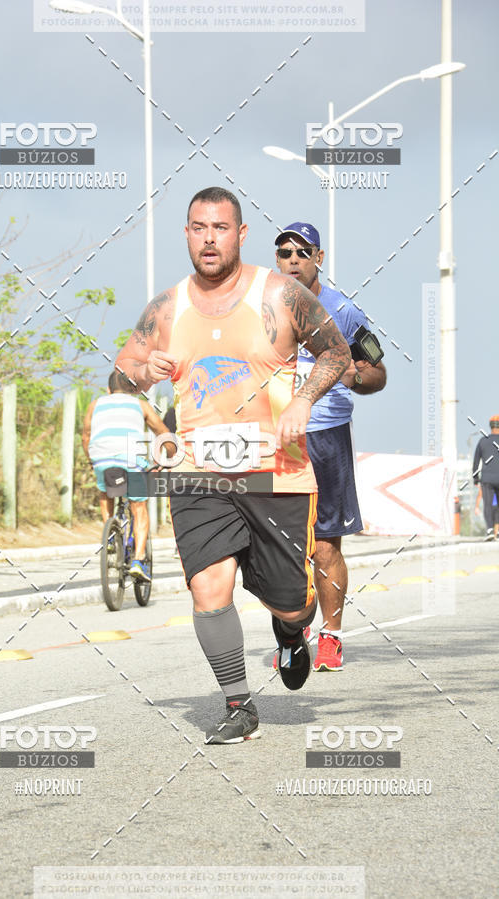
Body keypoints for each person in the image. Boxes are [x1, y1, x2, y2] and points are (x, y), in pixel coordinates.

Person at [114, 186, 350, 743]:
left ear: (240, 234)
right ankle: (239, 704)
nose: (209, 239)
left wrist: (302, 401)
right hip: (200, 472)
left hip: (278, 473)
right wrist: (145, 371)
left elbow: (339, 353)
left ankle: (292, 636)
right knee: (208, 587)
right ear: (188, 234)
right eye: (198, 228)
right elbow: (119, 375)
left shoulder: (282, 295)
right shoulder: (166, 308)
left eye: (220, 228)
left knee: (289, 602)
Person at [274, 222, 387, 671]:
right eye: (284, 252)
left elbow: (379, 373)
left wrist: (353, 375)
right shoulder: (263, 307)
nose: (293, 259)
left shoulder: (343, 311)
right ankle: (294, 623)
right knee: (280, 545)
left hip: (325, 436)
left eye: (303, 252)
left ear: (319, 258)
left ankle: (331, 634)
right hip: (279, 437)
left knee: (324, 545)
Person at [81, 371, 173, 581]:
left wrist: (92, 460)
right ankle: (139, 560)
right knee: (138, 507)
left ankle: (110, 534)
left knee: (105, 492)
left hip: (101, 459)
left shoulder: (95, 405)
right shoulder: (141, 406)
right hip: (131, 460)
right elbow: (163, 433)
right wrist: (171, 458)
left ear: (108, 390)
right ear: (133, 389)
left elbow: (86, 437)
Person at [472, 415, 499, 540]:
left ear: (490, 426)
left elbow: (476, 461)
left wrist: (475, 478)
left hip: (487, 479)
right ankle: (497, 530)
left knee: (488, 504)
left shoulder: (483, 441)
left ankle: (489, 530)